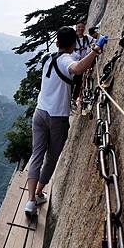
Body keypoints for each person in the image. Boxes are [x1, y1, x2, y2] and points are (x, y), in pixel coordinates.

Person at [24, 26, 108, 216]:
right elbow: (77, 69)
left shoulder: (47, 57)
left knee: (36, 155)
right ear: (72, 44)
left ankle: (29, 202)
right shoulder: (66, 60)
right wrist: (96, 49)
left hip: (39, 113)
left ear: (56, 43)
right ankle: (38, 193)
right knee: (51, 157)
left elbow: (75, 62)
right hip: (57, 117)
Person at [71, 20, 96, 107]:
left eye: (82, 27)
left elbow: (95, 41)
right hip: (77, 63)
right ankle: (73, 99)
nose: (81, 29)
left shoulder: (87, 38)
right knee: (76, 81)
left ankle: (75, 98)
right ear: (76, 28)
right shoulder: (73, 40)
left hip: (86, 62)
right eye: (79, 27)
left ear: (84, 28)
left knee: (79, 81)